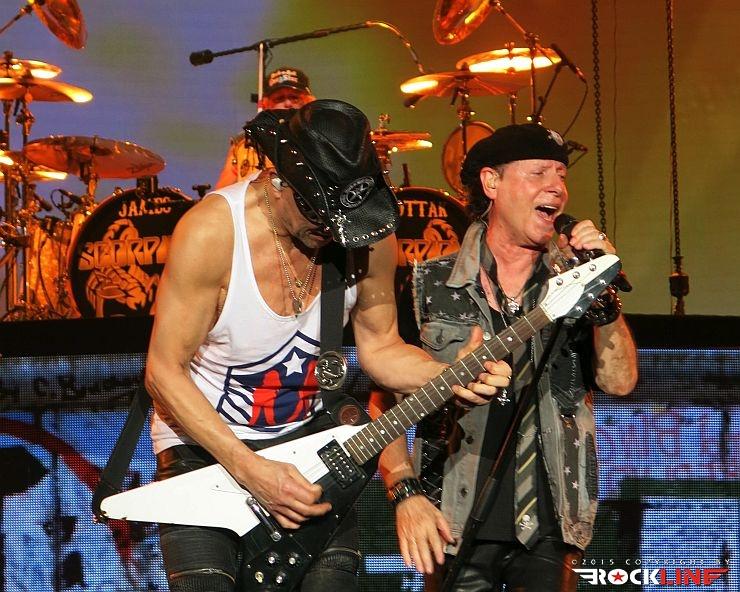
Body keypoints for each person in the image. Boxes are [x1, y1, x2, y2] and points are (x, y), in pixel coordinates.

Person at [145, 99, 513, 592]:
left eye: (345, 216)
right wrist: (249, 468)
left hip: (309, 451)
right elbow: (163, 371)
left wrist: (447, 375)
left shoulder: (366, 237)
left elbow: (381, 348)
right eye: (319, 212)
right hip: (206, 447)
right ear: (279, 181)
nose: (334, 230)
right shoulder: (213, 232)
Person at [374, 123, 639, 591]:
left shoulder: (575, 284)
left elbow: (619, 381)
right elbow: (383, 403)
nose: (556, 187)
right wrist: (404, 492)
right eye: (538, 173)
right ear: (492, 182)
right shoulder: (427, 284)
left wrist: (602, 291)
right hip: (452, 522)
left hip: (552, 524)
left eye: (561, 176)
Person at [214, 66, 316, 189]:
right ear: (266, 104)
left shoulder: (319, 138)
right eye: (279, 98)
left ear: (308, 102)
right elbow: (221, 192)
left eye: (294, 97)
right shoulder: (243, 144)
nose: (288, 103)